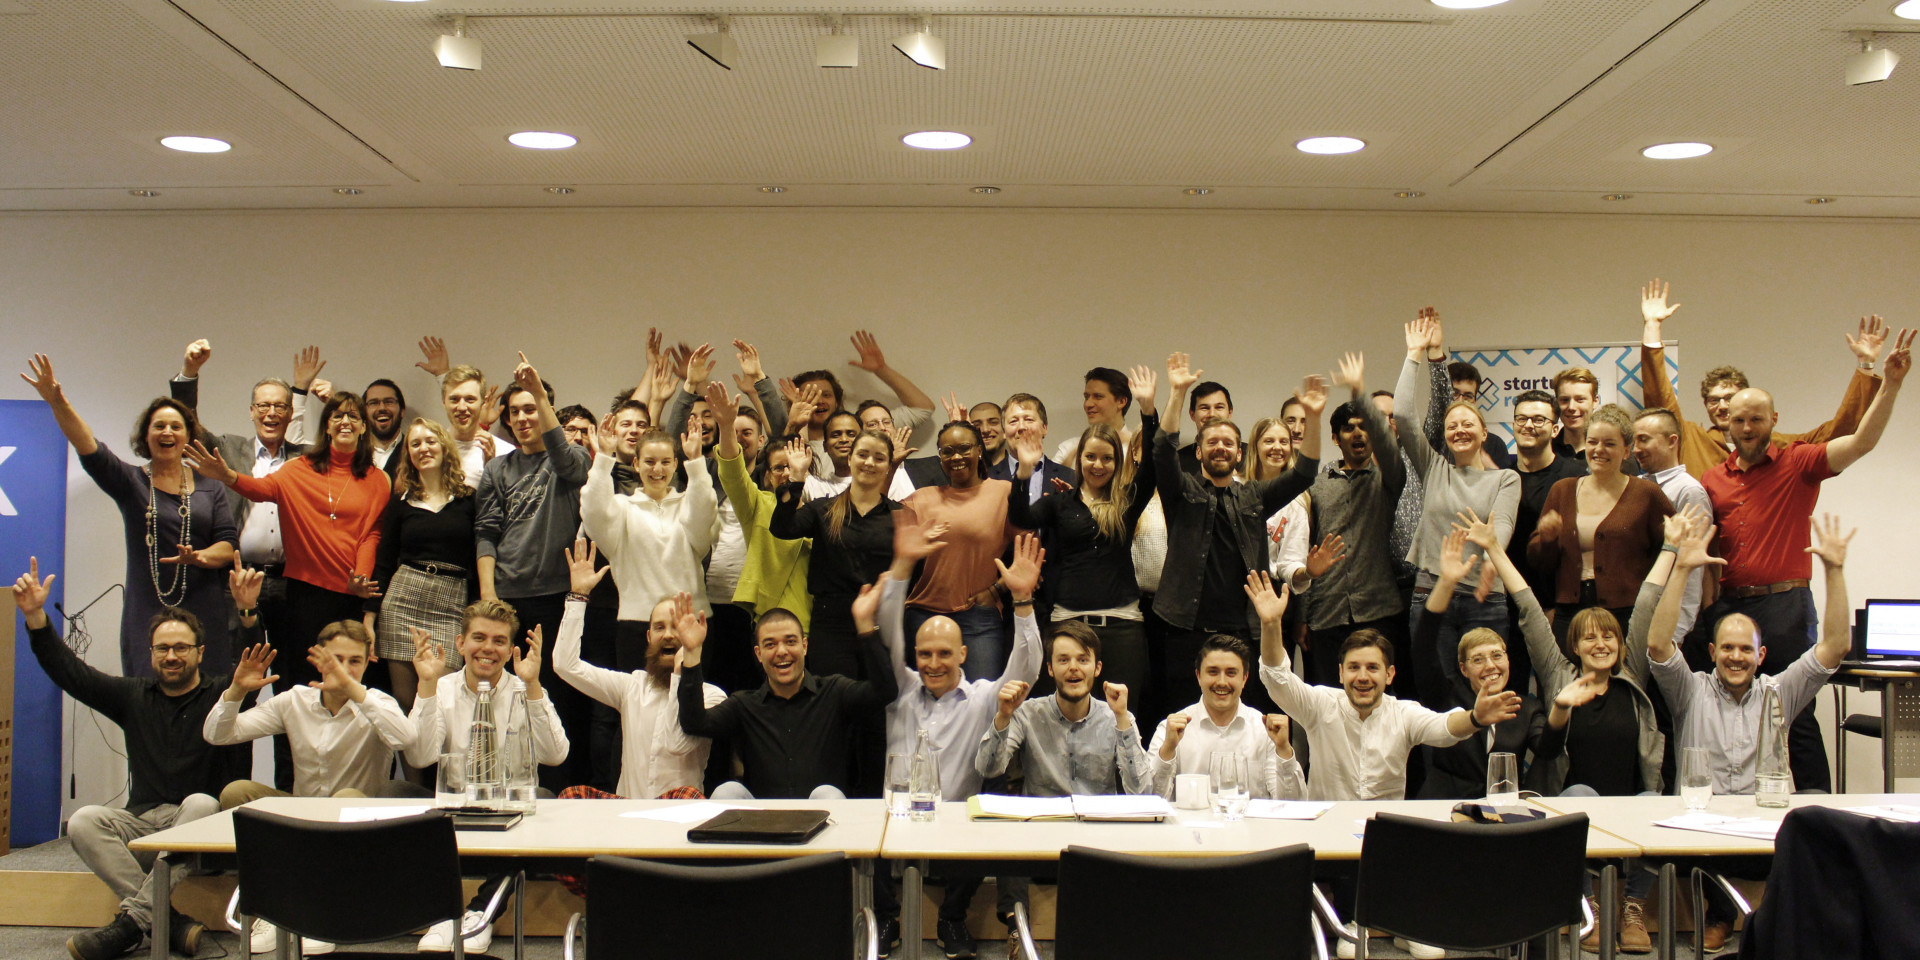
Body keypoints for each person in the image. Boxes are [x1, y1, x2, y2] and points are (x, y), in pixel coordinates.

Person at [1251, 568, 1519, 960]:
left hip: (1387, 842)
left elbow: (1446, 728)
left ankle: (1398, 923)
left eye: (1373, 668)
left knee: (1424, 923)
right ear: (1341, 672)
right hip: (1330, 836)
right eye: (1354, 667)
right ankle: (1360, 921)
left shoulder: (1403, 712)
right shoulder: (1320, 704)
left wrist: (1476, 718)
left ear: (1390, 674)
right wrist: (1271, 623)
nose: (1363, 677)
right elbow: (1278, 679)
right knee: (1349, 933)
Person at [1698, 327, 1912, 794]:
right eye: (1739, 421)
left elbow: (1861, 442)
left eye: (1757, 419)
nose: (1748, 429)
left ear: (1773, 419)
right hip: (1730, 607)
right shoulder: (1712, 479)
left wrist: (1891, 384)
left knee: (1795, 714)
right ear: (1727, 423)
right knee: (1727, 712)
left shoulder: (1798, 462)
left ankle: (1815, 809)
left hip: (1786, 607)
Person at [15, 558, 245, 960]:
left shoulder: (222, 695)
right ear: (151, 653)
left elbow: (252, 664)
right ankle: (165, 922)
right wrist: (36, 618)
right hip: (142, 827)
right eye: (162, 648)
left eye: (181, 648)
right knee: (84, 820)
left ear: (200, 652)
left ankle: (129, 925)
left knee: (202, 802)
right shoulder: (132, 696)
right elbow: (71, 673)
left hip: (197, 835)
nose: (171, 656)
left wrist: (248, 612)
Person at [1465, 509, 1672, 954]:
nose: (1601, 644)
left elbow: (1648, 604)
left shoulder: (1633, 677)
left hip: (1630, 805)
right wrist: (1494, 548)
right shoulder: (1559, 676)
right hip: (1574, 807)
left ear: (1620, 646)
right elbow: (1528, 609)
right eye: (1589, 638)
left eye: (1609, 637)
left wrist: (1672, 548)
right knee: (1580, 794)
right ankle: (1588, 908)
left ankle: (1633, 907)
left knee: (1656, 802)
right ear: (1574, 646)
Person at [1646, 512, 1852, 953]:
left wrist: (1834, 570)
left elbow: (1835, 646)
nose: (1735, 657)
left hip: (1764, 827)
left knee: (1817, 821)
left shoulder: (1780, 691)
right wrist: (1682, 568)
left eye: (1745, 649)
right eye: (1727, 648)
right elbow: (1659, 645)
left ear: (1761, 655)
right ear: (1711, 652)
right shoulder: (1690, 691)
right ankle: (1720, 915)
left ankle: (1788, 927)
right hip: (1701, 832)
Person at [864, 531, 1046, 960]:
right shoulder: (900, 689)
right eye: (924, 654)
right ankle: (886, 919)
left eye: (944, 654)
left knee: (980, 816)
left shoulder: (983, 698)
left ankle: (952, 918)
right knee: (868, 821)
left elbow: (1026, 670)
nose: (933, 664)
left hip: (955, 831)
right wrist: (902, 568)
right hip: (898, 821)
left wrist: (1022, 602)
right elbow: (889, 632)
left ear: (963, 654)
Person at [21, 354, 238, 676]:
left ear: (187, 436)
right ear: (146, 436)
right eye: (159, 426)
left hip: (205, 609)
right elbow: (87, 445)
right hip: (147, 611)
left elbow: (229, 544)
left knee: (209, 696)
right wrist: (57, 401)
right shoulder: (130, 482)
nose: (167, 432)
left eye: (175, 426)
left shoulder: (211, 486)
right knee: (146, 694)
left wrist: (200, 557)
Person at [185, 390, 390, 704]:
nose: (345, 422)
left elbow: (371, 535)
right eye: (337, 415)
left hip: (351, 597)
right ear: (327, 425)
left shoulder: (378, 480)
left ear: (364, 426)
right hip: (305, 595)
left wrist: (361, 578)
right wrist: (227, 475)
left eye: (353, 416)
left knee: (347, 686)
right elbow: (261, 489)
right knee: (300, 685)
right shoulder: (299, 468)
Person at [1152, 351, 1321, 725]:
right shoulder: (1182, 492)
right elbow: (1162, 449)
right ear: (1198, 452)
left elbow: (1305, 473)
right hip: (1185, 629)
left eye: (1228, 443)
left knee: (1250, 723)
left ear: (1239, 453)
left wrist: (1313, 417)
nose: (1220, 448)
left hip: (1244, 630)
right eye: (1212, 442)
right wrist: (1177, 392)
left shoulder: (1255, 496)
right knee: (1184, 722)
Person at [401, 600, 569, 955]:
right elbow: (419, 757)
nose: (488, 648)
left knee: (543, 797)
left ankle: (480, 914)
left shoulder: (524, 688)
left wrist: (533, 685)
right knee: (392, 792)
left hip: (507, 811)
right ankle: (441, 914)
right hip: (453, 806)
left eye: (499, 641)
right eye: (479, 638)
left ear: (510, 651)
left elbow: (555, 755)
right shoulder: (441, 687)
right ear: (461, 643)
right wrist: (426, 685)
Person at [975, 619, 1150, 935]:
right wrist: (1003, 716)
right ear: (1050, 669)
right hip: (1040, 837)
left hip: (1096, 840)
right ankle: (1019, 935)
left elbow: (1141, 788)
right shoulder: (1028, 712)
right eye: (1063, 660)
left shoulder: (1116, 715)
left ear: (1097, 668)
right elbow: (988, 769)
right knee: (1010, 836)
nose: (1073, 668)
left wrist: (1123, 719)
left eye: (1083, 660)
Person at [474, 353, 595, 789]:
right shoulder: (496, 469)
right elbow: (486, 533)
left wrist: (539, 394)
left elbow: (565, 460)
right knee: (505, 700)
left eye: (531, 409)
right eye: (516, 412)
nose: (523, 418)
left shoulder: (573, 458)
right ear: (506, 420)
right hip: (509, 597)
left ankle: (563, 789)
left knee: (556, 700)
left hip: (557, 597)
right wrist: (490, 595)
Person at [1008, 366, 1159, 703]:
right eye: (1090, 457)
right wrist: (1024, 472)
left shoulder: (1127, 501)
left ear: (1117, 463)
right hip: (1068, 622)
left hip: (1122, 624)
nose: (1098, 465)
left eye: (1107, 458)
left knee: (1124, 712)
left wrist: (1148, 412)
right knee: (1065, 711)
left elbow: (1152, 464)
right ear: (1080, 460)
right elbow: (1019, 517)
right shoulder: (1059, 502)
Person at [1637, 278, 1887, 479]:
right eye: (1714, 400)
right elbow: (1660, 398)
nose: (1722, 406)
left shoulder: (1779, 446)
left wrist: (1865, 367)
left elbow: (1836, 433)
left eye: (1729, 398)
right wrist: (1652, 326)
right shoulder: (1690, 438)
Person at [1394, 311, 1520, 693]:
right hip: (1431, 592)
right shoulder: (1434, 467)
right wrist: (1414, 354)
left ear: (1484, 433)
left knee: (1487, 691)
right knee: (1435, 692)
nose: (1460, 430)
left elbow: (1501, 526)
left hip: (1485, 598)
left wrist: (1491, 557)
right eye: (1452, 426)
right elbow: (1403, 414)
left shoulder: (1505, 478)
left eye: (1468, 424)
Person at [553, 541, 728, 799]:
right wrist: (579, 596)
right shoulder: (632, 686)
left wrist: (682, 672)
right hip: (629, 814)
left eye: (678, 627)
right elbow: (565, 665)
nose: (668, 635)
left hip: (681, 813)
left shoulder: (712, 696)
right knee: (571, 798)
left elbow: (676, 743)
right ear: (648, 637)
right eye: (659, 627)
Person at [676, 604, 901, 800]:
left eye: (790, 642)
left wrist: (866, 629)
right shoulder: (744, 704)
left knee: (827, 794)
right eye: (770, 645)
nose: (782, 651)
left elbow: (885, 692)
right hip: (765, 821)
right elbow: (695, 723)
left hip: (826, 819)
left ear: (804, 646)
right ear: (758, 654)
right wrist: (692, 652)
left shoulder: (834, 691)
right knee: (727, 791)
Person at [1286, 353, 1406, 690]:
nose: (1358, 433)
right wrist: (1302, 616)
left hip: (1379, 611)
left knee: (1381, 703)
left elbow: (1387, 445)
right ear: (1336, 438)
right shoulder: (1316, 487)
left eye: (1364, 427)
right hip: (1327, 614)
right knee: (1328, 704)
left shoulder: (1388, 479)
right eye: (1348, 428)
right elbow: (1306, 551)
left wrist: (1359, 392)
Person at [1410, 532, 1547, 801]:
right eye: (1478, 659)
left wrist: (1563, 709)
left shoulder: (1526, 708)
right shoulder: (1445, 697)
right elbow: (1423, 646)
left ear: (1508, 660)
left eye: (1497, 655)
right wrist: (1446, 583)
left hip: (1505, 811)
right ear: (1463, 669)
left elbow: (1549, 750)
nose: (1490, 666)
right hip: (1447, 808)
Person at [1528, 403, 1675, 637]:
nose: (1599, 450)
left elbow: (1671, 551)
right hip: (1570, 613)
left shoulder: (1647, 493)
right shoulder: (1562, 490)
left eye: (1609, 444)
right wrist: (1547, 539)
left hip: (1628, 614)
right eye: (1593, 442)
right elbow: (1540, 562)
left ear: (1626, 451)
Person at [363, 417, 477, 712]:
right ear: (409, 455)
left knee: (442, 702)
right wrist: (369, 618)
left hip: (451, 605)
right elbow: (384, 562)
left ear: (444, 447)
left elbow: (478, 560)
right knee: (405, 702)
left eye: (430, 441)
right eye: (415, 444)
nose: (423, 448)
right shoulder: (400, 503)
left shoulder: (468, 500)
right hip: (402, 603)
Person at [769, 430, 900, 679]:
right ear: (850, 459)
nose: (870, 462)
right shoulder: (823, 509)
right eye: (862, 455)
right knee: (833, 694)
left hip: (881, 620)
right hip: (831, 623)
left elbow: (912, 572)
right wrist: (796, 478)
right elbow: (782, 528)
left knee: (880, 696)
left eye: (879, 458)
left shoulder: (901, 516)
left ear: (888, 467)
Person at [896, 421, 1022, 678]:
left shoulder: (1004, 493)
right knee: (925, 697)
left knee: (983, 696)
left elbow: (1029, 554)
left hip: (979, 616)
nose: (956, 457)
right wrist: (891, 467)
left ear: (979, 450)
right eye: (947, 451)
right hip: (924, 613)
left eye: (964, 448)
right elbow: (877, 517)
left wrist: (996, 590)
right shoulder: (922, 497)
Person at [710, 381, 813, 672]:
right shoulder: (758, 504)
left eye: (793, 465)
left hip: (813, 621)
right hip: (769, 619)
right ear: (767, 475)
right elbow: (732, 473)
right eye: (779, 467)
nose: (787, 473)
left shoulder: (823, 510)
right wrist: (726, 426)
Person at [1147, 635, 1305, 800]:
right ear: (1198, 676)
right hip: (1190, 818)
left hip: (1250, 818)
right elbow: (1151, 801)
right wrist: (1168, 749)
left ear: (1244, 678)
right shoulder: (1170, 730)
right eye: (1213, 672)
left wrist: (1284, 749)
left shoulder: (1264, 730)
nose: (1222, 682)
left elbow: (1291, 805)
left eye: (1231, 673)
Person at [792, 330, 935, 476]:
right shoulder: (791, 442)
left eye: (826, 395)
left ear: (837, 401)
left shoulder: (864, 425)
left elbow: (923, 408)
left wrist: (882, 370)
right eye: (810, 396)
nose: (820, 401)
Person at [1631, 406, 1712, 642]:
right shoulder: (1634, 486)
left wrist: (1676, 632)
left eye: (1644, 440)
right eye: (1634, 441)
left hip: (1668, 625)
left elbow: (1690, 568)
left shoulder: (1689, 492)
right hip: (1635, 616)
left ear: (1672, 441)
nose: (1636, 449)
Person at [1431, 360, 1512, 469]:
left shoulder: (1495, 444)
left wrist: (1490, 470)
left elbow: (1505, 479)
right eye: (1455, 393)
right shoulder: (1431, 439)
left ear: (1474, 401)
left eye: (1468, 396)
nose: (1460, 400)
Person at [1052, 366, 1133, 466]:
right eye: (1086, 397)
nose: (1088, 404)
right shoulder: (1068, 449)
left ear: (1121, 401)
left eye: (1098, 397)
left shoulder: (1137, 449)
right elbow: (1051, 475)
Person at [1175, 377, 1235, 475]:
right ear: (1192, 414)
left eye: (1219, 407)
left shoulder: (1251, 456)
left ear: (1230, 412)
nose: (1212, 414)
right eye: (1204, 408)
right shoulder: (1178, 462)